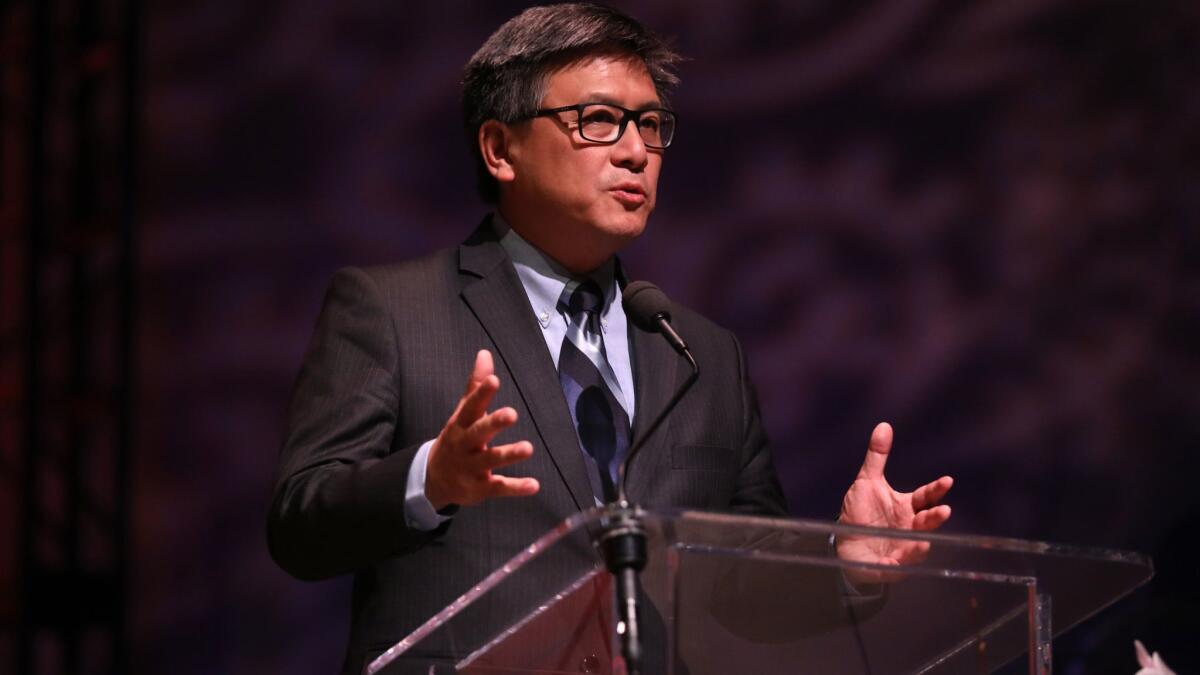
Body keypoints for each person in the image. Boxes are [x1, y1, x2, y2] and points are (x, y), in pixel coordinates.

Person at [267, 4, 953, 673]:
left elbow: (741, 586)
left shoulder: (702, 352)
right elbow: (300, 524)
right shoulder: (391, 309)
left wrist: (844, 563)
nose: (636, 152)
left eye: (652, 126)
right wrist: (431, 479)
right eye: (600, 120)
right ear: (500, 149)